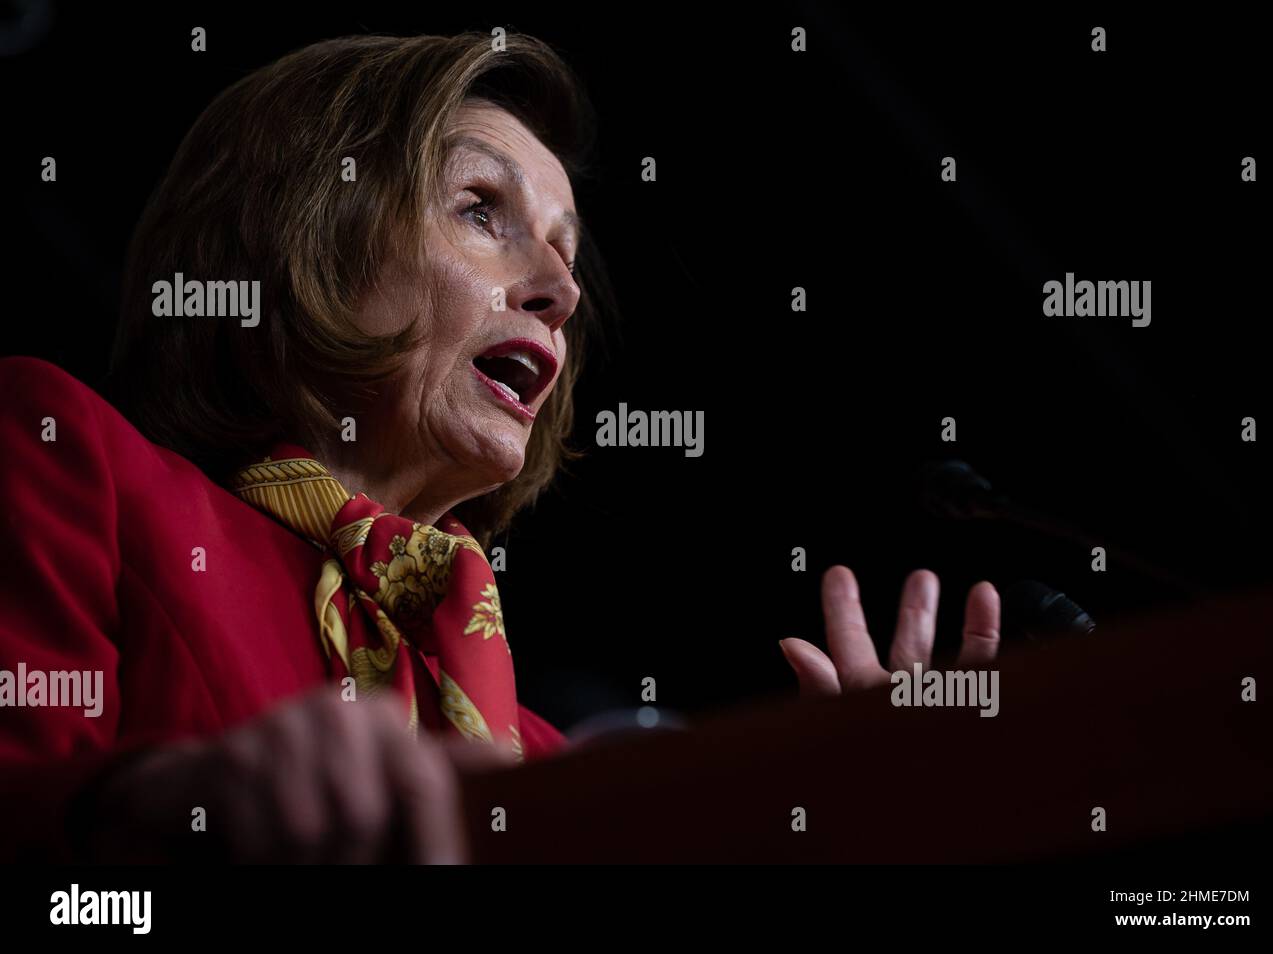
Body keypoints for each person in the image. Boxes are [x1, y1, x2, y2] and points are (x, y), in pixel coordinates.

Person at [0, 31, 1001, 864]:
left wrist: (877, 829)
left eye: (564, 256)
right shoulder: (69, 459)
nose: (558, 293)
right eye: (482, 210)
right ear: (300, 227)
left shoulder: (543, 759)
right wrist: (162, 810)